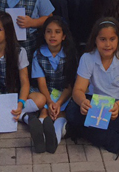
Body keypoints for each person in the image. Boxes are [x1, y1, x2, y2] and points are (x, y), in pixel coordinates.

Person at [0, 12, 47, 153]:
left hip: (16, 90)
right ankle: (23, 116)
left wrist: (21, 102)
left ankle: (0, 114)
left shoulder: (19, 51)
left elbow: (24, 81)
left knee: (40, 99)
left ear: (8, 31)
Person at [66, 18, 119, 158]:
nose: (107, 44)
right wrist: (83, 102)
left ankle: (76, 130)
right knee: (72, 112)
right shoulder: (87, 58)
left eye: (112, 39)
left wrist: (117, 106)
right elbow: (78, 90)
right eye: (102, 39)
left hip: (116, 104)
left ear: (118, 40)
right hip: (94, 102)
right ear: (95, 40)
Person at [31, 17, 77, 153]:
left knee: (61, 113)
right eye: (49, 31)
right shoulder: (38, 54)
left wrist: (58, 102)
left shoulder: (70, 54)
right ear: (44, 34)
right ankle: (39, 136)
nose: (52, 35)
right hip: (47, 92)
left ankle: (53, 140)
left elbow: (70, 84)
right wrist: (50, 101)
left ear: (63, 36)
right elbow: (42, 83)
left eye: (57, 32)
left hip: (65, 92)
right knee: (45, 111)